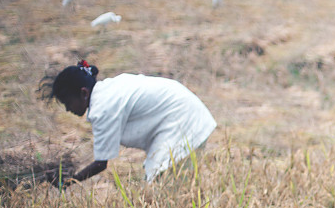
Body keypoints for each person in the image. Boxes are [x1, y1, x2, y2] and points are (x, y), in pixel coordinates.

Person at [41, 61, 216, 183]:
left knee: (163, 186)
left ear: (84, 93)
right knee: (168, 186)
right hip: (188, 114)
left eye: (67, 102)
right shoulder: (107, 91)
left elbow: (101, 163)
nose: (67, 109)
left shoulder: (103, 107)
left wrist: (70, 182)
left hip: (184, 120)